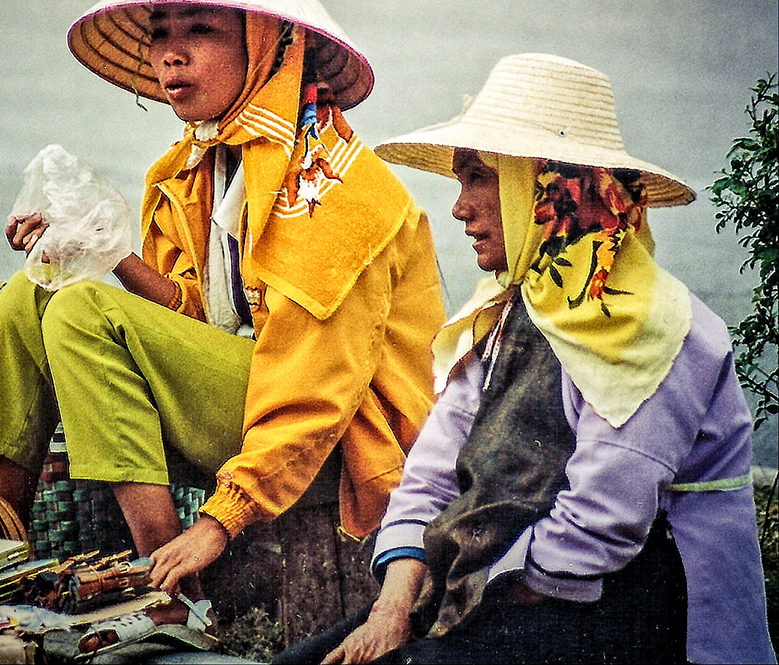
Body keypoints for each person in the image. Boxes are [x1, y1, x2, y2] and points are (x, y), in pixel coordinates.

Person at [0, 0, 445, 640]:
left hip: (337, 443)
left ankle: (162, 584)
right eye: (161, 32)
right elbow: (203, 319)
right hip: (251, 408)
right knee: (39, 289)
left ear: (267, 47)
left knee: (80, 313)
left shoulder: (338, 191)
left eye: (202, 30)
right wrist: (101, 249)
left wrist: (219, 523)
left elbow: (318, 389)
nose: (171, 54)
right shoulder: (193, 168)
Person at [275, 53, 776, 664]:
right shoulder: (511, 308)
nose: (459, 207)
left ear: (546, 185)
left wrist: (446, 613)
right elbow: (431, 471)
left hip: (627, 605)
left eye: (479, 178)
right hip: (509, 581)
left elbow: (598, 530)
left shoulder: (656, 326)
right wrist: (392, 610)